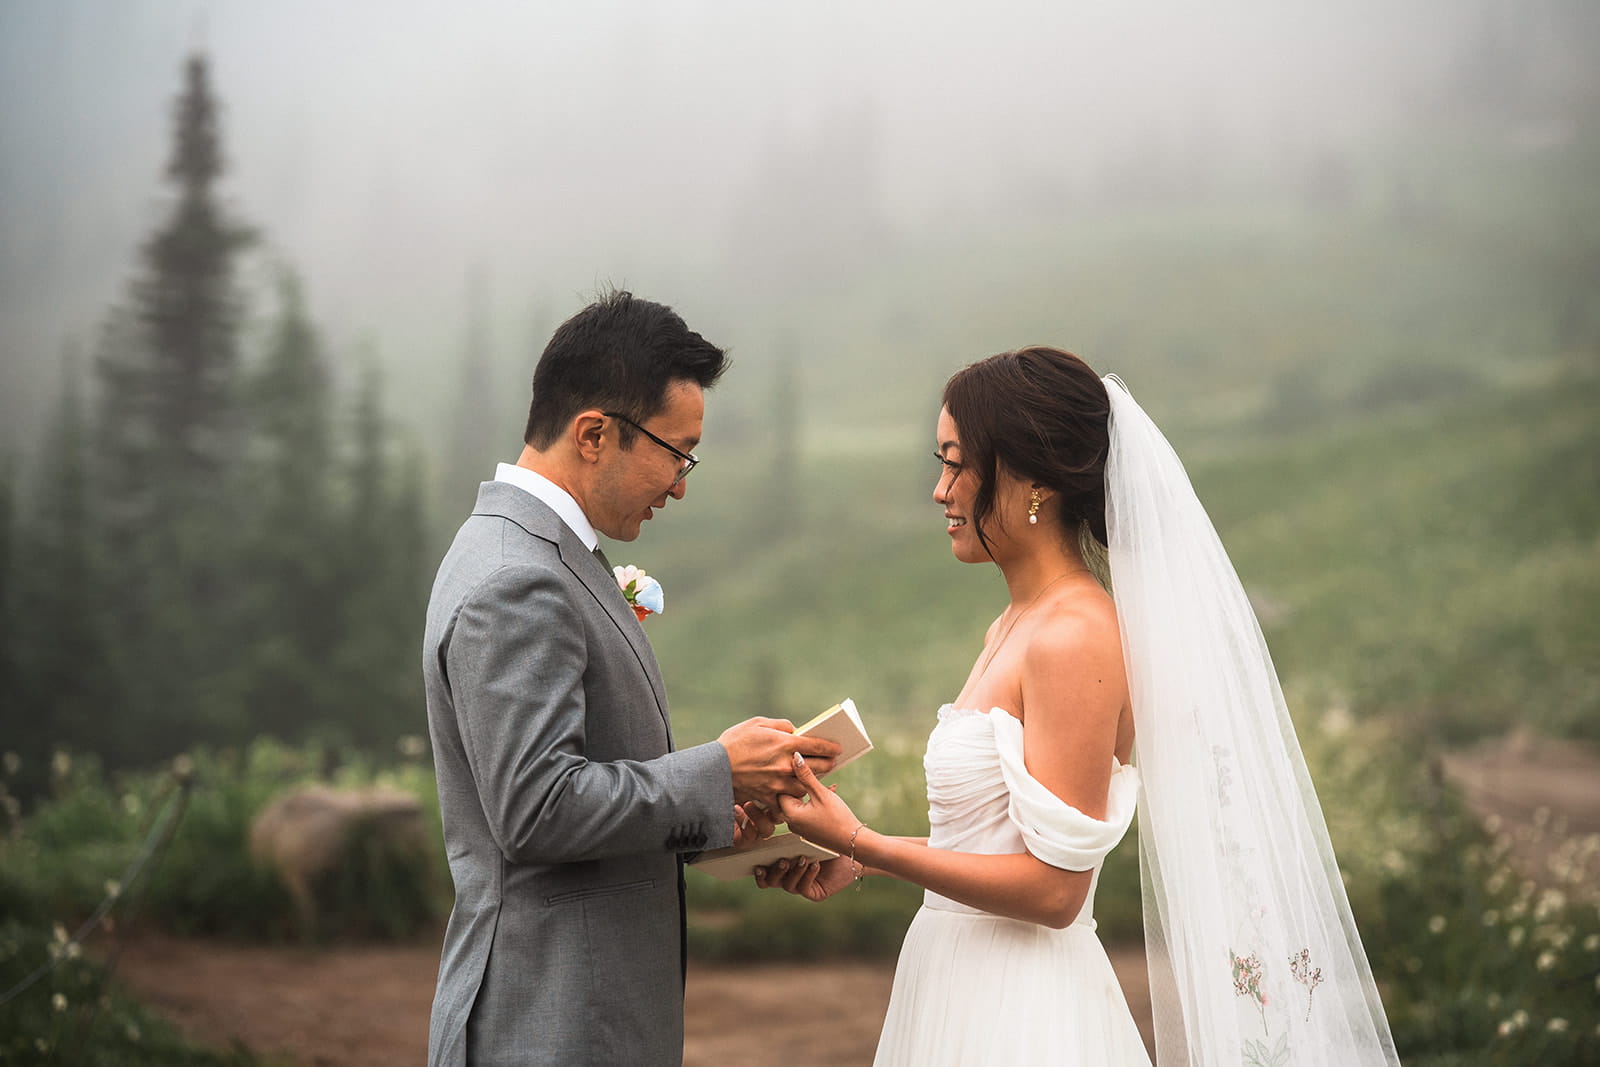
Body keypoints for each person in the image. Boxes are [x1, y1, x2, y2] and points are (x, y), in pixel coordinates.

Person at [760, 347, 1399, 1066]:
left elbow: (1055, 890)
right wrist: (867, 858)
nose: (940, 490)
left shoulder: (1074, 635)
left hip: (1021, 1006)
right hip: (957, 976)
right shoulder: (1013, 623)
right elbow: (996, 851)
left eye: (954, 463)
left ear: (1031, 480)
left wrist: (862, 842)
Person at [422, 289, 838, 1067]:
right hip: (552, 1022)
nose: (681, 483)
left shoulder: (541, 554)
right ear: (593, 433)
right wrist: (717, 769)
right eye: (675, 453)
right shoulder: (516, 578)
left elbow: (586, 782)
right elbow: (537, 809)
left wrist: (720, 816)